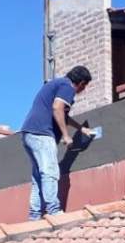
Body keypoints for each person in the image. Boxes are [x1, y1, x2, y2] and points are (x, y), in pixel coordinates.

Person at [20, 65, 94, 220]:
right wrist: (66, 136)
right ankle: (53, 210)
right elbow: (57, 108)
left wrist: (80, 128)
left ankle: (34, 215)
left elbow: (62, 114)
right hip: (42, 134)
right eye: (85, 86)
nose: (83, 90)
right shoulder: (67, 87)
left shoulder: (58, 84)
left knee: (38, 176)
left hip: (29, 133)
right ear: (80, 82)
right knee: (50, 171)